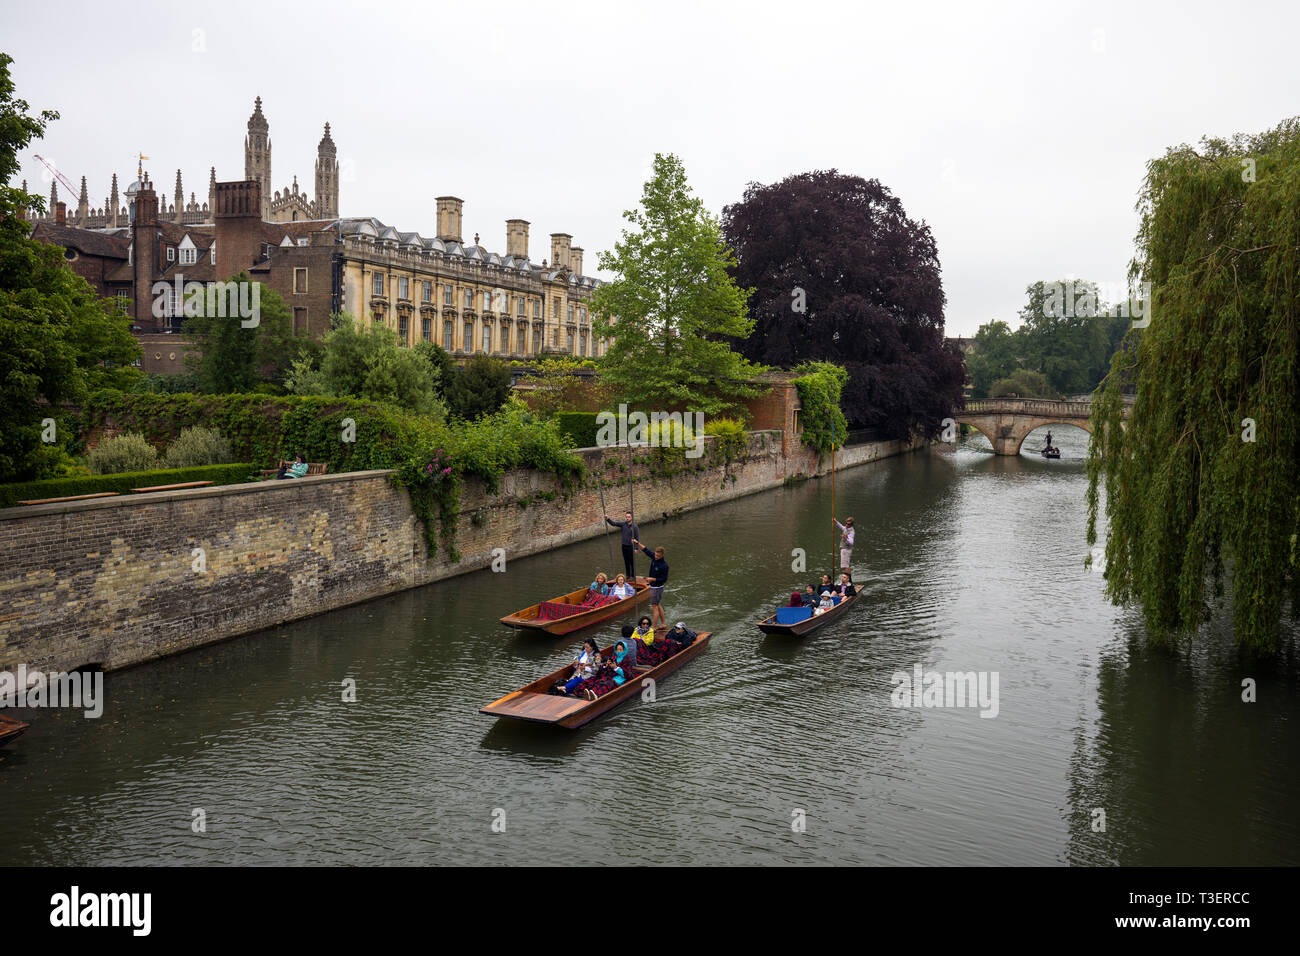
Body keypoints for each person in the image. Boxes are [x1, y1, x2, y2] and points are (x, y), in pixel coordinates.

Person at [631, 538, 669, 628]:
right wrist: (637, 543)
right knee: (658, 604)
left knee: (654, 607)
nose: (655, 557)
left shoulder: (664, 565)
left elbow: (664, 579)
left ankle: (654, 627)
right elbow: (646, 550)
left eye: (658, 556)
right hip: (653, 586)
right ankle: (663, 623)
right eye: (655, 555)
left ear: (662, 555)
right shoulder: (654, 557)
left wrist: (652, 579)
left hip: (657, 588)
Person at [604, 511, 641, 582]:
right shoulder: (623, 524)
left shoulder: (635, 527)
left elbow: (637, 538)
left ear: (632, 517)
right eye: (626, 517)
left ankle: (633, 576)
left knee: (631, 562)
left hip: (631, 546)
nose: (627, 518)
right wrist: (607, 518)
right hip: (624, 546)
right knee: (626, 561)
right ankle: (628, 575)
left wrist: (636, 548)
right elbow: (614, 523)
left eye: (629, 517)